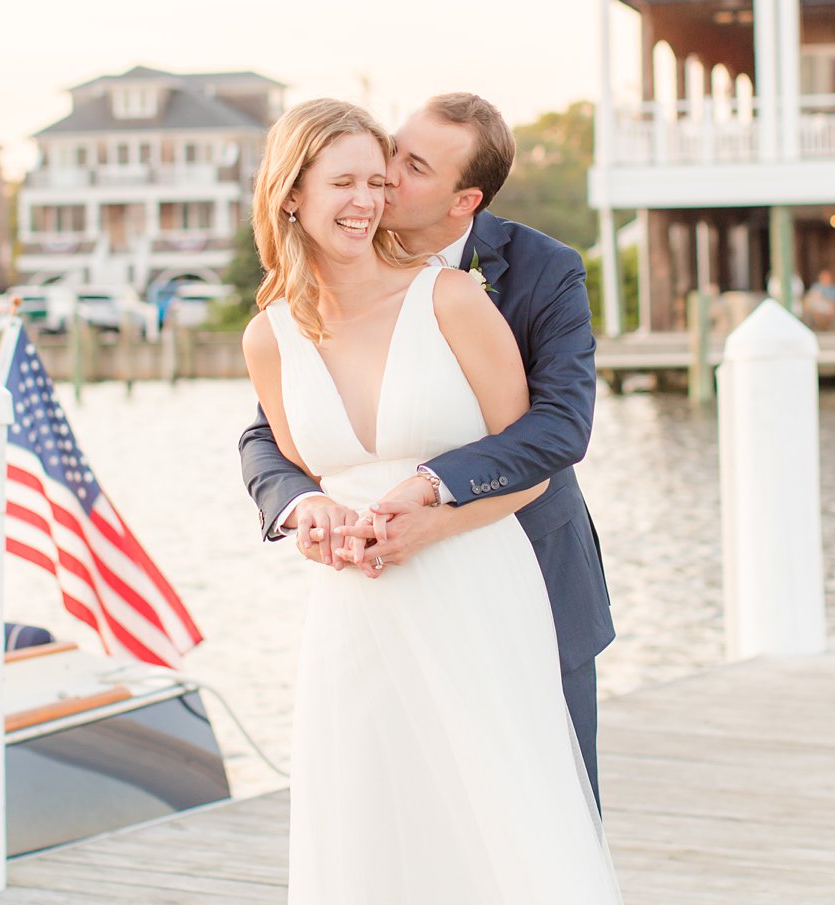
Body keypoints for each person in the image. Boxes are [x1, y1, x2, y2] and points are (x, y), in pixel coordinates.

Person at [237, 98, 708, 905]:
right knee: (358, 868)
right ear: (289, 192)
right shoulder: (266, 332)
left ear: (460, 201)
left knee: (506, 857)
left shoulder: (471, 294)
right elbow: (270, 449)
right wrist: (308, 516)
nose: (369, 194)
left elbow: (541, 453)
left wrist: (420, 521)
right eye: (346, 177)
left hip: (476, 595)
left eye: (385, 175)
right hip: (351, 621)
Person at [240, 91, 613, 800]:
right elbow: (268, 431)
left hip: (524, 565)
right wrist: (301, 502)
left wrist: (432, 493)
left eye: (406, 166)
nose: (381, 175)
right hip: (375, 592)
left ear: (463, 199)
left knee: (546, 810)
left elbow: (560, 427)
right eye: (386, 153)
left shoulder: (538, 271)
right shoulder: (299, 308)